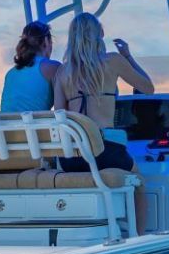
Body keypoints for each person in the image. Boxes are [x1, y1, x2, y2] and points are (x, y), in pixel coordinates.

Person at [52, 12, 154, 172]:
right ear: (99, 33)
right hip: (106, 150)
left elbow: (60, 115)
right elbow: (148, 88)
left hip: (73, 155)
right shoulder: (112, 61)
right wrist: (127, 56)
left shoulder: (62, 72)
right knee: (138, 181)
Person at [0, 21, 59, 113]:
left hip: (4, 126)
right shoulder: (53, 68)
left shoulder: (10, 74)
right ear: (46, 41)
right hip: (34, 127)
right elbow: (62, 110)